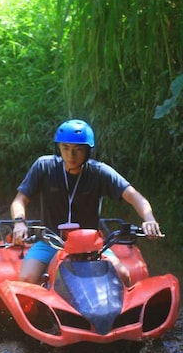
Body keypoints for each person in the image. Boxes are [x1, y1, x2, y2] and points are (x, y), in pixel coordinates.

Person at [10, 119, 163, 284]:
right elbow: (19, 200)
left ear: (88, 151)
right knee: (27, 278)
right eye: (65, 148)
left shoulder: (99, 172)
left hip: (91, 244)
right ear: (58, 148)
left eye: (78, 149)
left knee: (123, 275)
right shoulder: (44, 167)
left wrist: (150, 219)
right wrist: (19, 222)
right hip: (51, 241)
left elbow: (135, 196)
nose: (71, 155)